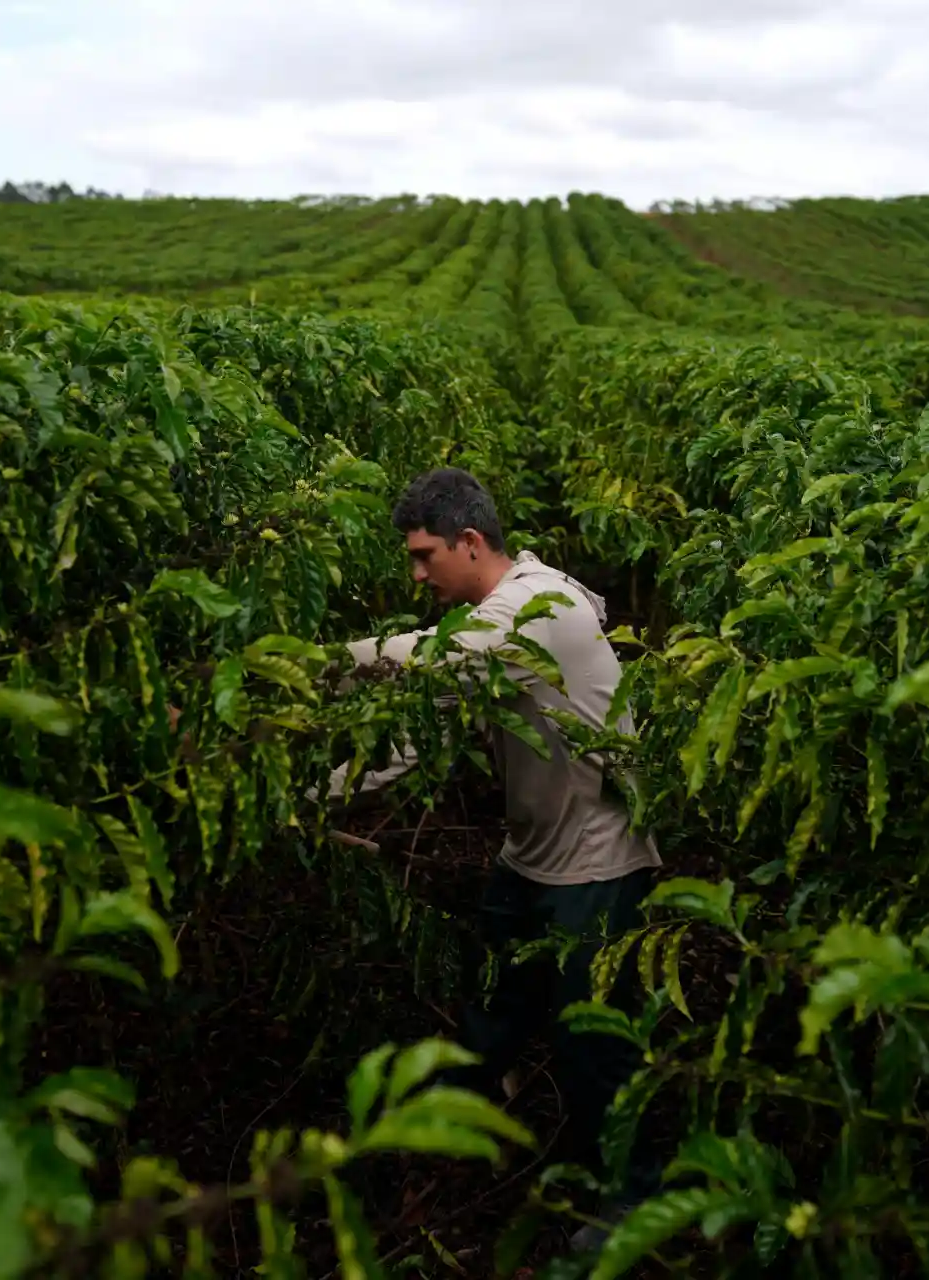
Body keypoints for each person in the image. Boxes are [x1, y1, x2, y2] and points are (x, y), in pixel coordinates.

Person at [323, 467, 663, 1247]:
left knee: (594, 1042)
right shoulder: (492, 623)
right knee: (499, 991)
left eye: (423, 555)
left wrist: (303, 663)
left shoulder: (534, 611)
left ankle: (630, 1199)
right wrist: (311, 796)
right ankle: (467, 1104)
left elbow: (421, 662)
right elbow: (419, 735)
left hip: (598, 862)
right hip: (533, 851)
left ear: (469, 543)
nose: (416, 574)